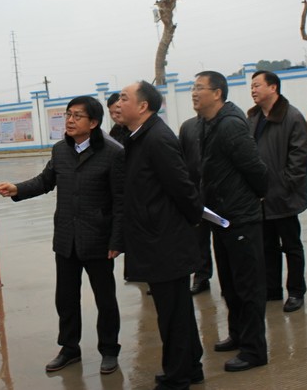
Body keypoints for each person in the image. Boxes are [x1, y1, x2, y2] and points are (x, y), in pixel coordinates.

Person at [0, 96, 124, 375]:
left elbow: (121, 201)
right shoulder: (60, 150)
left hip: (99, 239)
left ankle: (109, 350)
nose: (70, 120)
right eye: (68, 115)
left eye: (77, 116)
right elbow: (45, 181)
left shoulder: (112, 153)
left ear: (93, 122)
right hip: (66, 238)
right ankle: (69, 348)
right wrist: (16, 189)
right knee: (65, 298)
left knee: (105, 299)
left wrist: (117, 240)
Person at [117, 80, 205, 389]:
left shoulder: (156, 139)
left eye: (124, 98)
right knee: (177, 310)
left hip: (164, 240)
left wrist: (192, 219)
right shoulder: (140, 136)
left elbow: (183, 187)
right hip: (156, 237)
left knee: (172, 314)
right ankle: (191, 367)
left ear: (143, 106)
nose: (118, 103)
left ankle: (177, 377)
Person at [191, 70, 268, 373]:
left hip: (241, 218)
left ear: (217, 93)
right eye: (193, 87)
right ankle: (238, 334)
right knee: (230, 284)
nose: (194, 93)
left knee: (248, 287)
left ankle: (254, 350)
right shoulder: (204, 123)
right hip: (219, 217)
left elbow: (256, 169)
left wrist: (251, 199)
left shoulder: (231, 125)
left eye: (200, 88)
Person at [247, 71, 307, 313]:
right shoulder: (253, 117)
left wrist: (284, 186)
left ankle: (296, 291)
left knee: (291, 246)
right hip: (261, 197)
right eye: (252, 86)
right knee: (267, 246)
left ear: (273, 88)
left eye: (257, 85)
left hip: (284, 196)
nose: (253, 90)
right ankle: (272, 289)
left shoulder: (292, 117)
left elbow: (299, 158)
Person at [178, 115, 212, 295]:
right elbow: (181, 160)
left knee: (225, 238)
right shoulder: (188, 126)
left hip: (219, 191)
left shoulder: (223, 124)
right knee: (199, 238)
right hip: (196, 192)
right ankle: (201, 276)